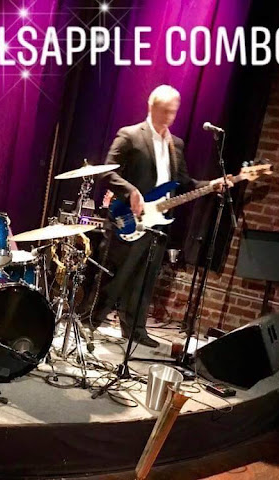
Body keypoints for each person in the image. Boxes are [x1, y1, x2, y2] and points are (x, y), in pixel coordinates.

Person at [93, 85, 230, 347]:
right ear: (151, 106)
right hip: (129, 219)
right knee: (115, 276)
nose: (169, 117)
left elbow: (184, 183)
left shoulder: (175, 144)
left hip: (158, 222)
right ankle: (91, 320)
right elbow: (106, 171)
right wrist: (131, 191)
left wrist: (212, 185)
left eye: (173, 112)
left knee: (145, 278)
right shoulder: (130, 135)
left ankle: (135, 329)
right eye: (164, 111)